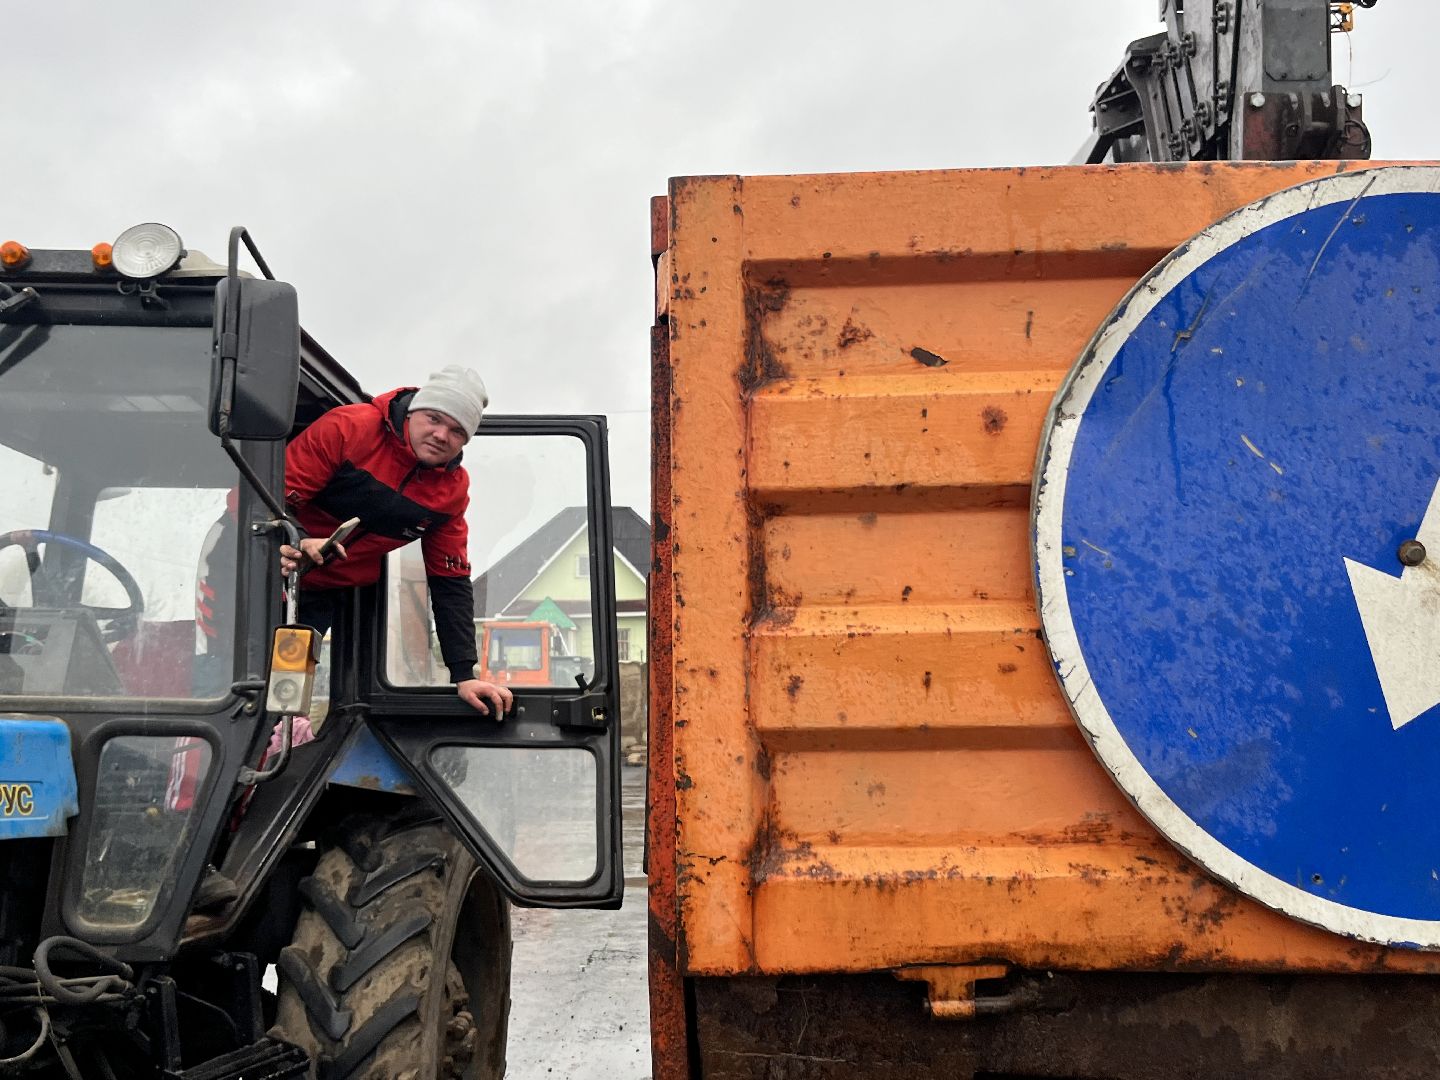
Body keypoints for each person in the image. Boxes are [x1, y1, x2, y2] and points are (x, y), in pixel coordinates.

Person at [279, 365, 512, 719]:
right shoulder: (349, 427)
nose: (440, 434)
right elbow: (265, 495)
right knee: (229, 678)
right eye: (434, 418)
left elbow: (449, 580)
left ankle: (262, 761)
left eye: (457, 431)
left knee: (281, 695)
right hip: (255, 565)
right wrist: (297, 537)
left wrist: (464, 674)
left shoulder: (450, 492)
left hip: (319, 593)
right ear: (415, 410)